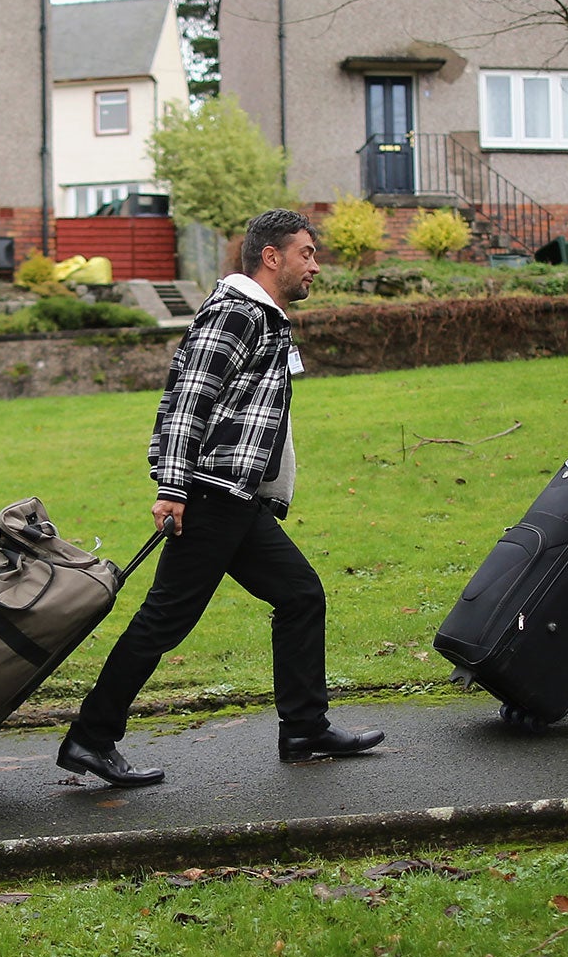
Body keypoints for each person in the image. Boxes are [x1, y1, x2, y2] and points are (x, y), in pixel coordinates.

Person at [56, 209, 384, 788]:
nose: (316, 265)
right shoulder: (235, 316)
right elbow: (187, 400)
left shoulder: (263, 318)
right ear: (271, 257)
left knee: (301, 594)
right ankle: (91, 736)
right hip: (209, 495)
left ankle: (305, 727)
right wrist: (172, 487)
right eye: (306, 253)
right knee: (164, 622)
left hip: (237, 499)